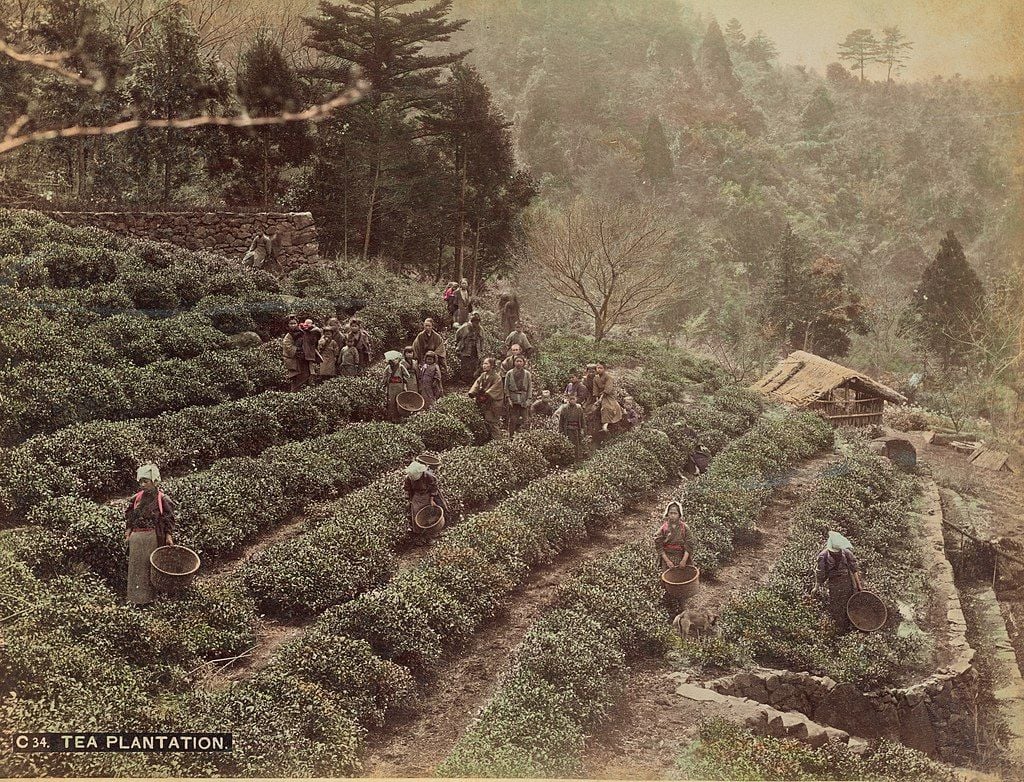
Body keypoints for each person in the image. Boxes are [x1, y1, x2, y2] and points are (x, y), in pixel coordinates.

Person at [124, 464, 176, 607]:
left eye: (146, 481)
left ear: (154, 481)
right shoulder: (137, 498)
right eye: (140, 481)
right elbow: (130, 516)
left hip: (152, 537)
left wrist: (168, 536)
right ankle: (135, 599)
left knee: (150, 568)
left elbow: (169, 518)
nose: (143, 485)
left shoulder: (162, 498)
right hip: (137, 537)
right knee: (135, 568)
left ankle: (150, 600)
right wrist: (128, 532)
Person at [814, 531, 863, 634]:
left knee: (843, 604)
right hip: (840, 583)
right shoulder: (827, 556)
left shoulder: (828, 555)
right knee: (842, 605)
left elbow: (854, 569)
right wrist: (816, 588)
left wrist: (859, 586)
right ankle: (843, 628)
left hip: (842, 583)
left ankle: (844, 627)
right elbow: (854, 570)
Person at [404, 459, 451, 533]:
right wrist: (409, 500)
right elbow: (408, 489)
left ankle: (436, 529)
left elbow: (433, 488)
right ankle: (419, 532)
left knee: (433, 510)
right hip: (417, 495)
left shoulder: (428, 476)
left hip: (428, 494)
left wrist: (432, 499)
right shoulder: (409, 477)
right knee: (416, 514)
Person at [469, 356, 505, 440]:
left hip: (493, 401)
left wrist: (486, 394)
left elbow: (495, 389)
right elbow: (477, 384)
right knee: (484, 420)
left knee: (492, 421)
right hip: (484, 400)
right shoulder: (483, 375)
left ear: (492, 365)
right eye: (483, 364)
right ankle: (488, 439)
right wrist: (472, 392)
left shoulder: (497, 377)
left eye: (486, 363)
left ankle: (498, 440)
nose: (484, 366)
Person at [655, 501, 692, 572]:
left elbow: (689, 544)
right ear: (667, 514)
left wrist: (684, 560)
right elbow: (659, 545)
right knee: (666, 578)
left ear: (679, 515)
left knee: (683, 578)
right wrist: (667, 561)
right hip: (667, 556)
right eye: (671, 513)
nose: (672, 515)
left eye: (675, 513)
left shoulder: (684, 527)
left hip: (681, 556)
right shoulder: (664, 528)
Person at [503, 355, 533, 436]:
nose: (519, 363)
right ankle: (511, 436)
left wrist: (528, 400)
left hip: (524, 399)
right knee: (513, 419)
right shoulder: (509, 373)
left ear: (523, 363)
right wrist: (509, 399)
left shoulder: (527, 374)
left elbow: (530, 388)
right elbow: (506, 388)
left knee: (525, 419)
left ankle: (527, 436)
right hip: (513, 399)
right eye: (517, 361)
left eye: (520, 361)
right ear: (514, 362)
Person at [593, 361, 624, 433]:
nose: (599, 370)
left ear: (604, 369)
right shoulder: (595, 378)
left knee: (608, 407)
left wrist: (601, 399)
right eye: (598, 368)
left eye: (601, 368)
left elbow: (608, 389)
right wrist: (597, 400)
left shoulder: (608, 377)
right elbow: (595, 390)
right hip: (600, 395)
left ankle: (605, 425)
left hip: (609, 395)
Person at [456, 313, 485, 384]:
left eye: (478, 322)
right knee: (465, 363)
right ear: (471, 321)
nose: (476, 324)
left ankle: (472, 379)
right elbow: (458, 334)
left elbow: (482, 339)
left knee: (474, 363)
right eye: (475, 322)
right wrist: (459, 344)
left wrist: (481, 348)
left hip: (475, 348)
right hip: (466, 348)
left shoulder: (480, 329)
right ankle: (464, 379)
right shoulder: (465, 327)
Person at [281, 316, 309, 392]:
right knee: (295, 378)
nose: (293, 325)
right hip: (293, 360)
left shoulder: (301, 332)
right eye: (291, 323)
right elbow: (287, 346)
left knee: (305, 376)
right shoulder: (288, 336)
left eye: (294, 323)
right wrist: (298, 350)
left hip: (303, 360)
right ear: (287, 325)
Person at [382, 350, 411, 422]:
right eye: (391, 360)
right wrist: (384, 383)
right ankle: (391, 417)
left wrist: (403, 379)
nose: (393, 361)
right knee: (391, 402)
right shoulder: (388, 367)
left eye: (395, 359)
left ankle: (399, 417)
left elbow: (407, 375)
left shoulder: (401, 367)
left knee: (399, 400)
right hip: (391, 386)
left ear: (398, 359)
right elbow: (384, 376)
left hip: (399, 386)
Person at [557, 394, 587, 459]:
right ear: (568, 400)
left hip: (576, 429)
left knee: (577, 444)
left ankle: (577, 458)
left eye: (574, 399)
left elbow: (582, 420)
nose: (572, 400)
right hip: (568, 429)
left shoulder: (579, 408)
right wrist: (560, 431)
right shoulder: (564, 408)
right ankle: (569, 458)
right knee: (568, 443)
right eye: (571, 399)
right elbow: (561, 421)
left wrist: (582, 429)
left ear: (576, 400)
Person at [315, 317, 344, 382]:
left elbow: (340, 348)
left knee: (333, 372)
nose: (332, 327)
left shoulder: (340, 336)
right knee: (323, 371)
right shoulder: (324, 336)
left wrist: (337, 357)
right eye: (330, 325)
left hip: (334, 357)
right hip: (324, 357)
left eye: (333, 325)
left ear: (338, 325)